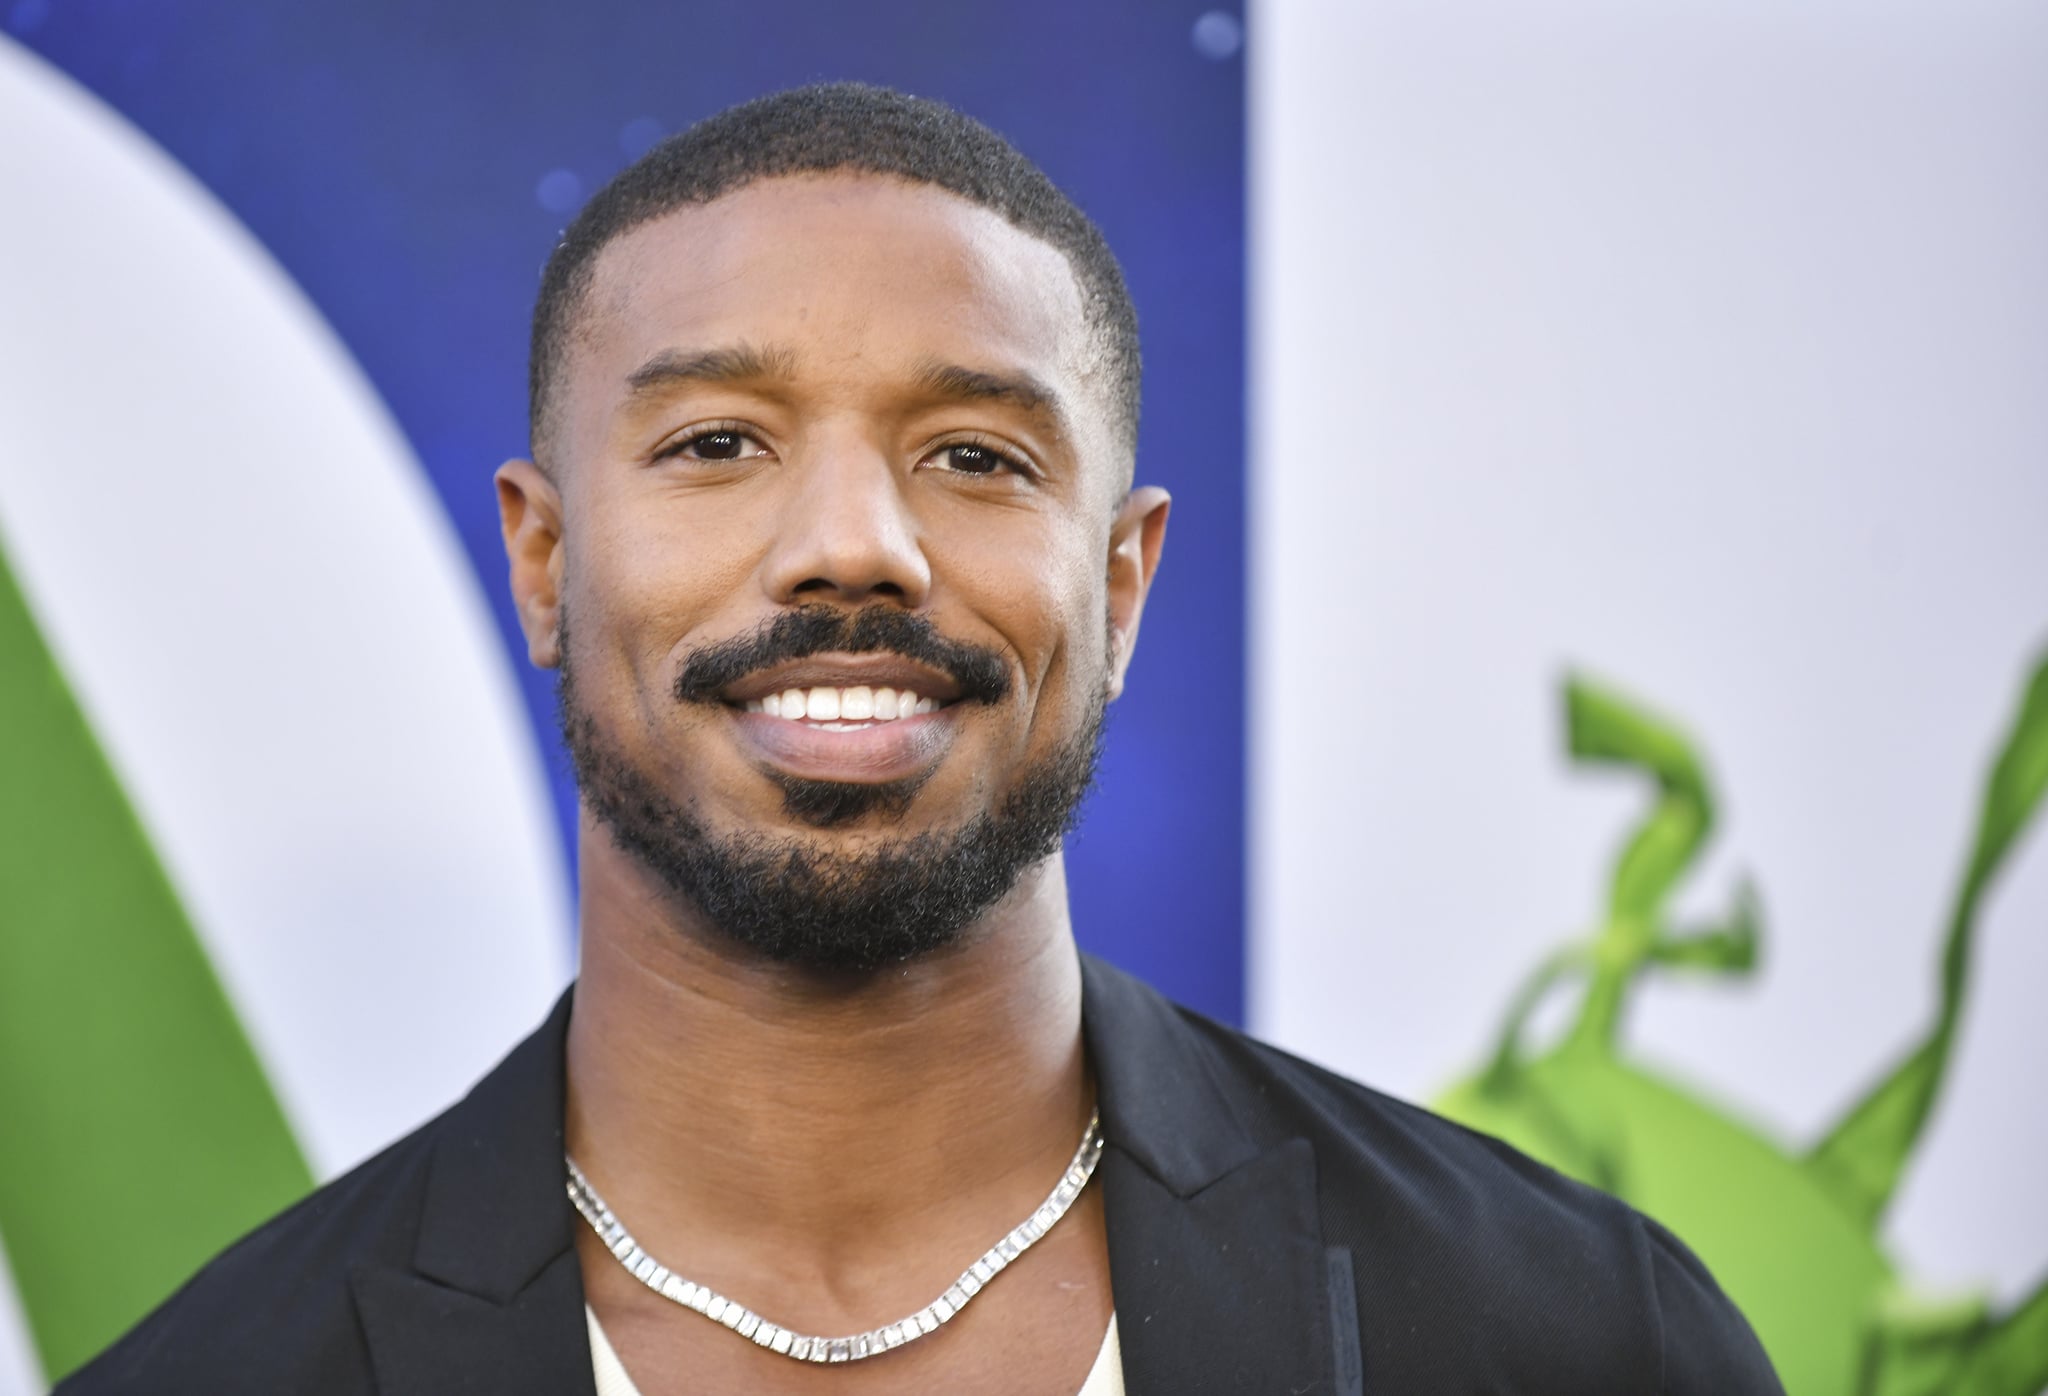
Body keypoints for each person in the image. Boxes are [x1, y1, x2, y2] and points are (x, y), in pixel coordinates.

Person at [60, 83, 1783, 1395]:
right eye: (719, 442)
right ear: (544, 559)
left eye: (975, 456)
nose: (853, 542)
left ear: (1119, 584)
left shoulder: (1569, 1338)